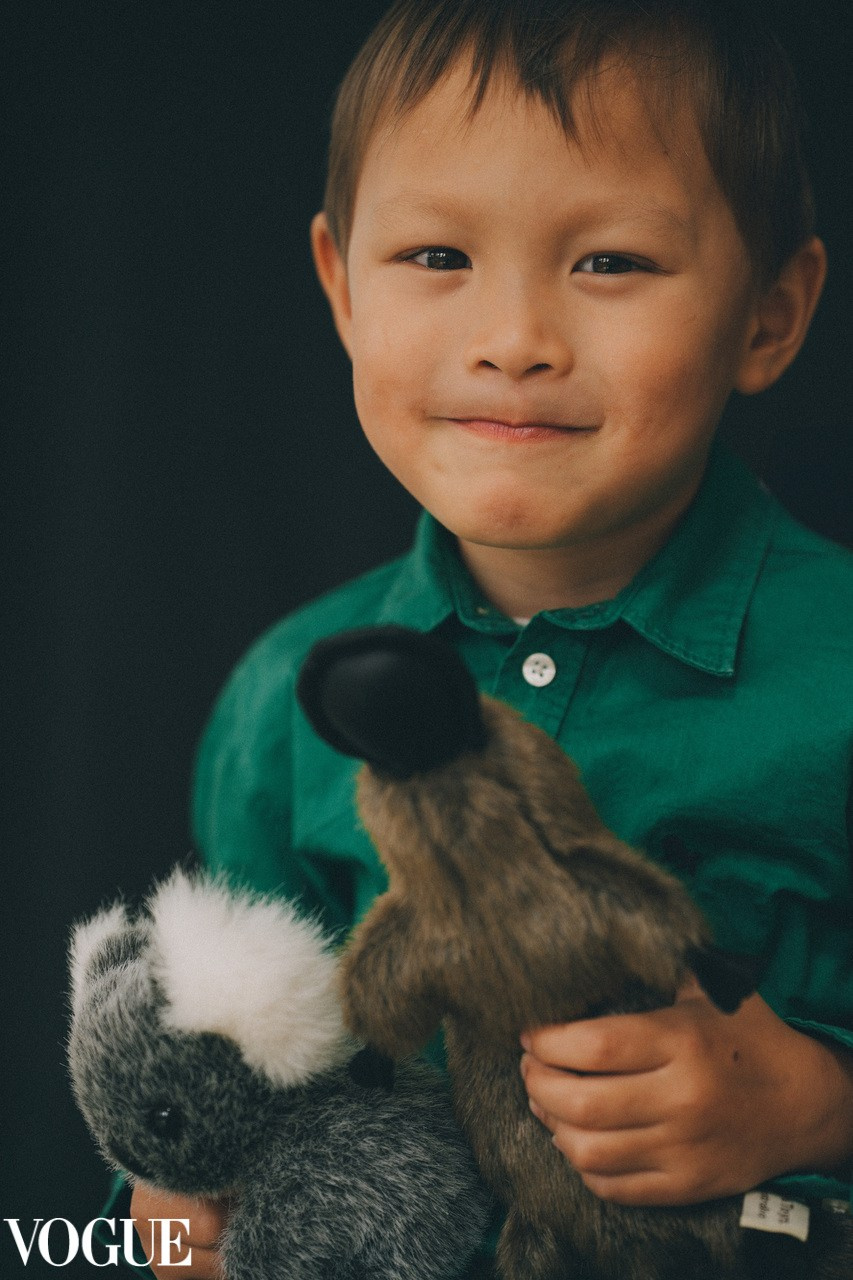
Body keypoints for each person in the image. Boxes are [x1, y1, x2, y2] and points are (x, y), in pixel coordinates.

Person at [123, 0, 853, 1274]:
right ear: (342, 287)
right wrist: (191, 1191)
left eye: (610, 262)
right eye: (436, 258)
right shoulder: (278, 701)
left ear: (768, 316)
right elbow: (221, 1073)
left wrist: (818, 1103)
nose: (513, 341)